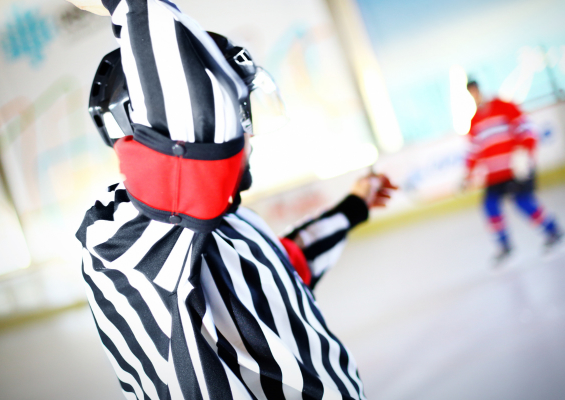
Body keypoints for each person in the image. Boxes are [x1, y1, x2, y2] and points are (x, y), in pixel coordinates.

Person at [69, 0, 396, 399]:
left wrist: (352, 208)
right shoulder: (124, 234)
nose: (248, 135)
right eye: (236, 113)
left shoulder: (226, 218)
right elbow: (193, 140)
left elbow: (282, 270)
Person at [464, 80, 563, 263]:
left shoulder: (504, 107)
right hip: (494, 176)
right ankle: (505, 246)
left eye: (476, 91)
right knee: (490, 206)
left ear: (481, 89)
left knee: (523, 202)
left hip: (515, 170)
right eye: (471, 93)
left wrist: (525, 155)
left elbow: (527, 130)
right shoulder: (475, 121)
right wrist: (467, 174)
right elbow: (473, 152)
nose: (475, 95)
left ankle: (553, 231)